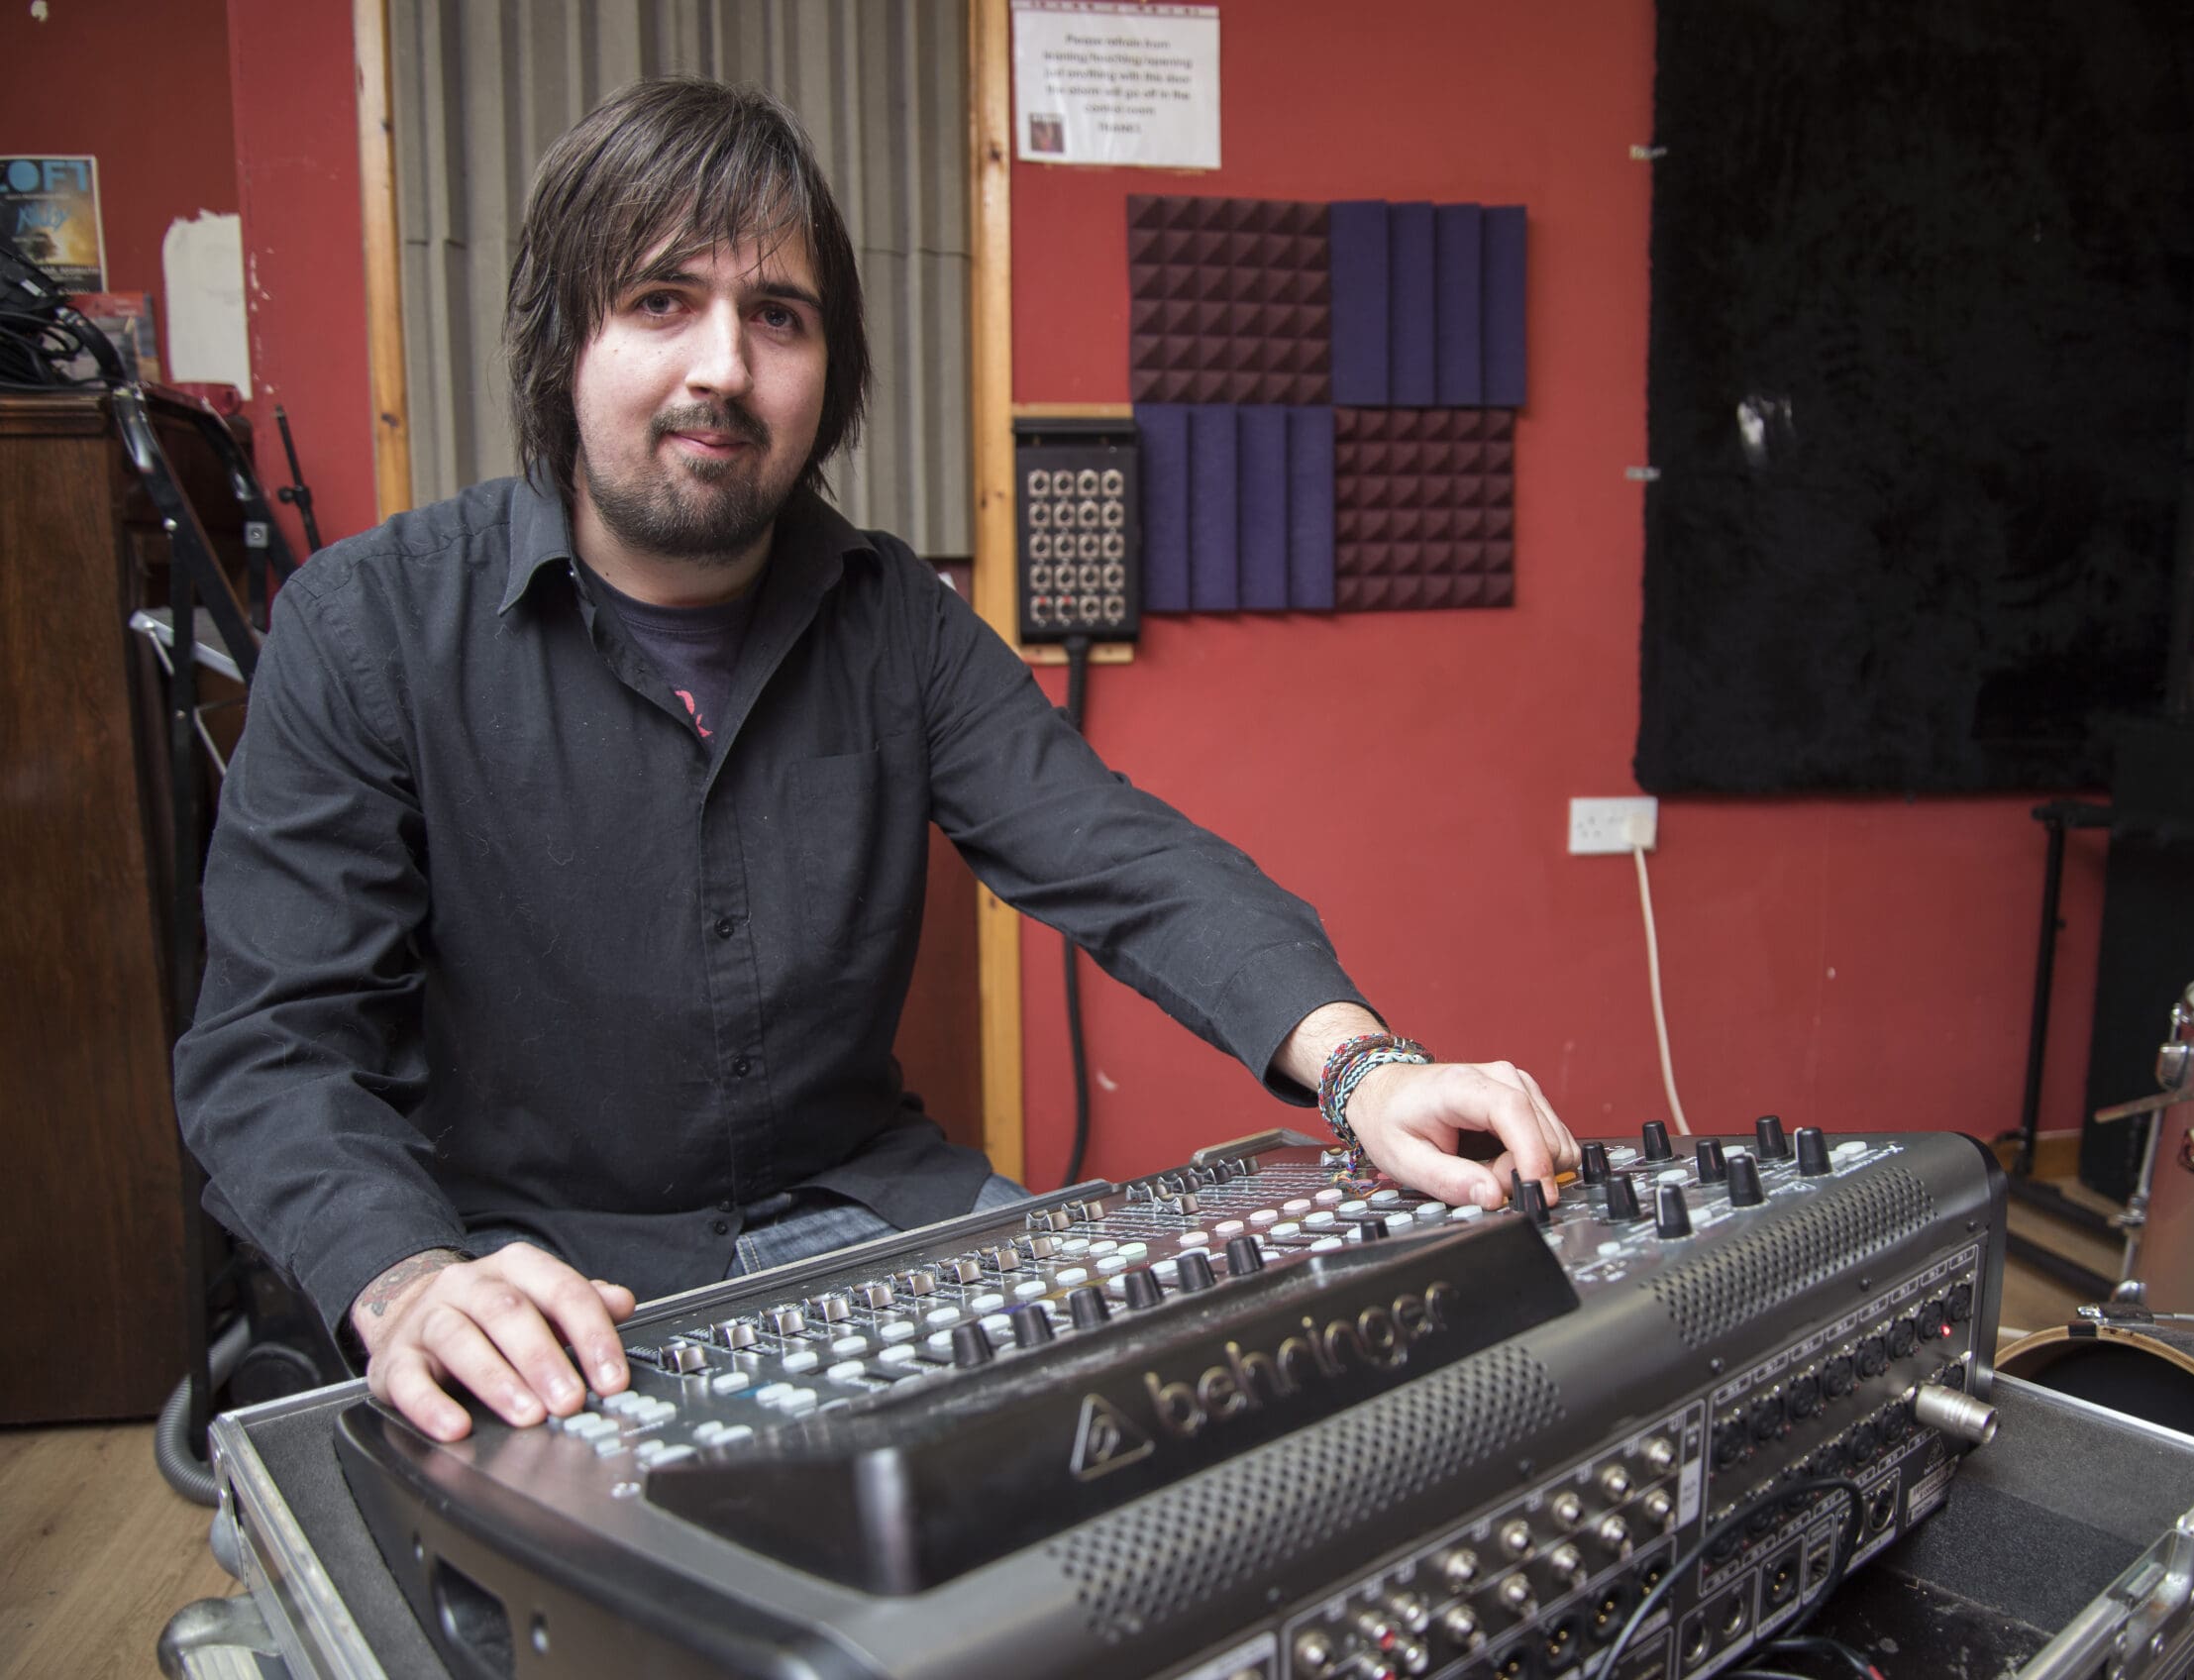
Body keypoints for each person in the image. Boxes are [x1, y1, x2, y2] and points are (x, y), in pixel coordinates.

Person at [173, 77, 1577, 1446]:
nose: (723, 365)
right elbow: (270, 1049)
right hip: (533, 1274)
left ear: (827, 372)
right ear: (562, 342)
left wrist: (1366, 1072)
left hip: (873, 1220)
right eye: (663, 301)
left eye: (775, 316)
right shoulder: (364, 629)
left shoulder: (896, 617)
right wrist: (408, 1278)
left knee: (1175, 1469)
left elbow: (1124, 859)